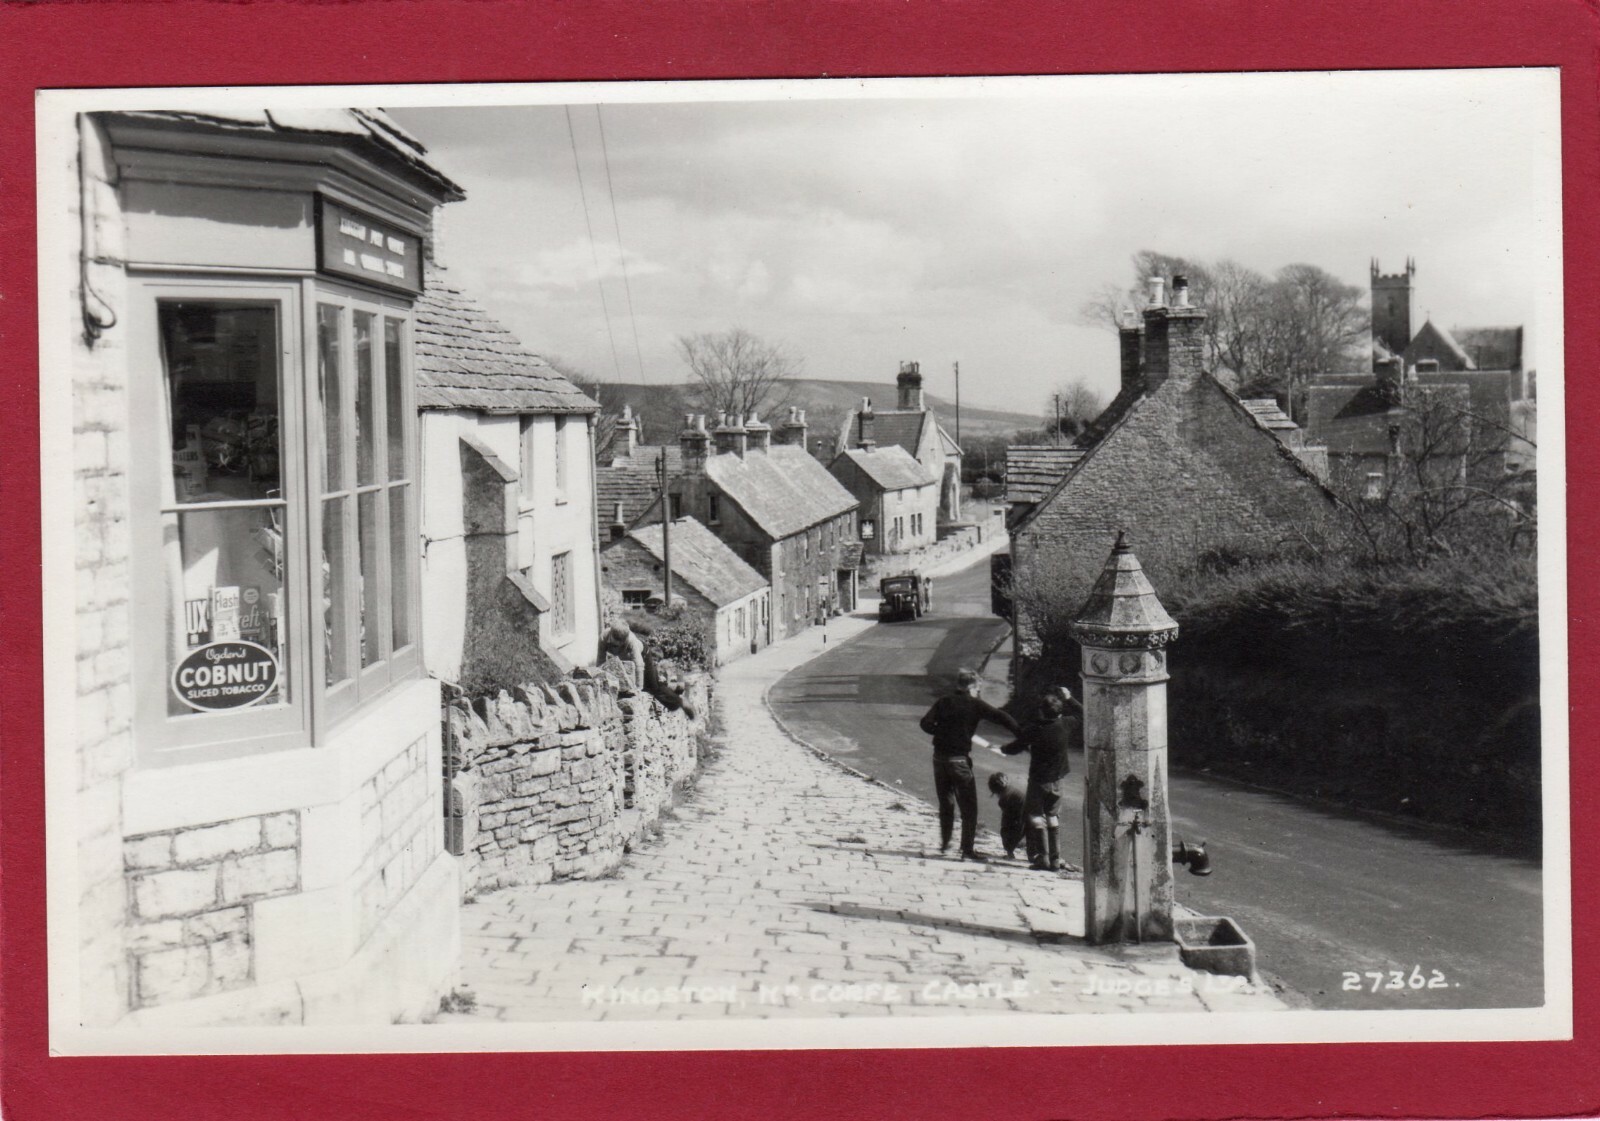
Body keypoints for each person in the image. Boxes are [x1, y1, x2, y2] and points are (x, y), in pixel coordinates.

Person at [918, 667, 1021, 860]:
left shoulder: (943, 702)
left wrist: (941, 733)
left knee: (946, 802)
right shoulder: (975, 704)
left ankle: (945, 843)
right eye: (978, 687)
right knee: (969, 807)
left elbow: (925, 723)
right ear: (972, 687)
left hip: (939, 759)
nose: (979, 691)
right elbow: (1002, 717)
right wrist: (1021, 736)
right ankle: (967, 849)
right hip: (959, 761)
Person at [1002, 690, 1080, 871]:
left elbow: (1016, 747)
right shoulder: (1065, 724)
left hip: (1038, 781)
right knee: (1053, 817)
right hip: (1058, 781)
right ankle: (1055, 860)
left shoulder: (1034, 729)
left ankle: (1042, 858)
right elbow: (1082, 713)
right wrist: (1069, 697)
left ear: (1041, 711)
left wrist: (1004, 748)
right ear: (1059, 712)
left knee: (1036, 817)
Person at [987, 772, 1026, 860]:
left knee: (1005, 830)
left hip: (1022, 818)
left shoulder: (1004, 799)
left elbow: (1008, 818)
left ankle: (1010, 853)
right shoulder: (1012, 790)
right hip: (1030, 814)